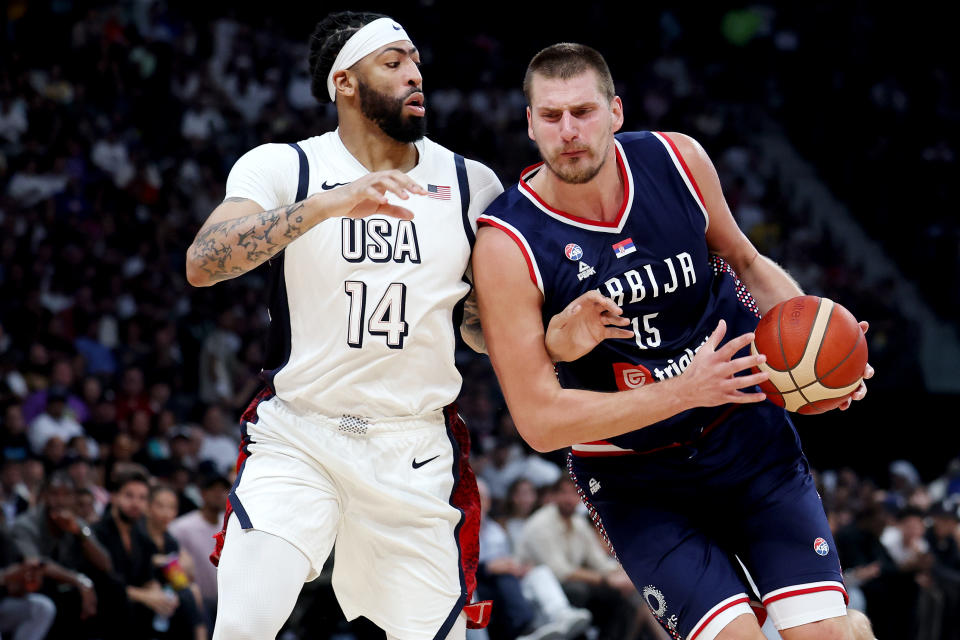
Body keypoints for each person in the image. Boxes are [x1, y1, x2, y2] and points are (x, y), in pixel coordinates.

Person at [472, 43, 875, 640]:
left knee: (825, 637)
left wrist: (818, 346)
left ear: (616, 111)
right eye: (551, 117)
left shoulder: (678, 160)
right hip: (637, 479)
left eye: (583, 112)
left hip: (745, 437)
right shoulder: (508, 243)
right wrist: (682, 391)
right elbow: (538, 420)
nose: (569, 131)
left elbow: (745, 259)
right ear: (530, 124)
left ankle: (847, 627)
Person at [184, 11, 505, 640]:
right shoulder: (286, 167)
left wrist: (552, 336)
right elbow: (203, 262)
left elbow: (477, 328)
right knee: (243, 626)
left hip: (411, 448)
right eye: (393, 63)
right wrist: (329, 204)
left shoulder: (473, 184)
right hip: (301, 434)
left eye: (415, 61)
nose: (415, 75)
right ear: (344, 83)